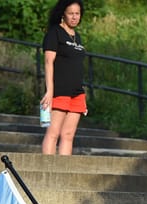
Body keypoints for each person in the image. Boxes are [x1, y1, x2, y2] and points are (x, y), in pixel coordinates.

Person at [41, 0, 87, 155]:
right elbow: (48, 62)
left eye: (77, 13)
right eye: (71, 13)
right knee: (53, 133)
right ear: (63, 14)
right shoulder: (54, 33)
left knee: (68, 135)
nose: (74, 17)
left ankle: (64, 170)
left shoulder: (77, 37)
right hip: (59, 90)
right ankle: (48, 170)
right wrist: (49, 91)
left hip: (77, 92)